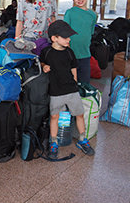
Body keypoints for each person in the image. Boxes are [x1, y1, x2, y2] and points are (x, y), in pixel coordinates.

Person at [40, 20, 95, 160]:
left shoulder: (70, 52)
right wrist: (44, 65)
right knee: (54, 116)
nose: (69, 39)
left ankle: (82, 140)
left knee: (79, 114)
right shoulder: (47, 52)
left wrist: (75, 85)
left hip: (71, 90)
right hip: (55, 91)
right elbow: (41, 61)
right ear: (54, 38)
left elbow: (73, 69)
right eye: (65, 37)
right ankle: (54, 142)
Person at [64, 0, 97, 83]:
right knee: (70, 82)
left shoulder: (93, 15)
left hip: (85, 55)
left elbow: (90, 33)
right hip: (70, 55)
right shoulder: (69, 13)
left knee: (84, 82)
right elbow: (65, 34)